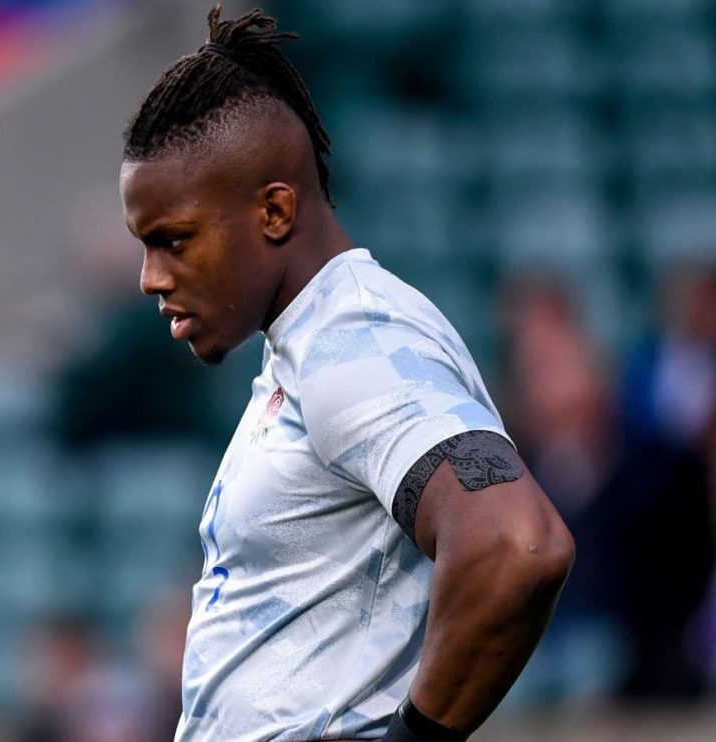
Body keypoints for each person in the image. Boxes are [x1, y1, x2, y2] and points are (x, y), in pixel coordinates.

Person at [117, 7, 575, 742]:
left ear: (273, 211)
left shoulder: (354, 342)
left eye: (173, 240)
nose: (149, 277)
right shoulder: (311, 345)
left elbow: (515, 543)